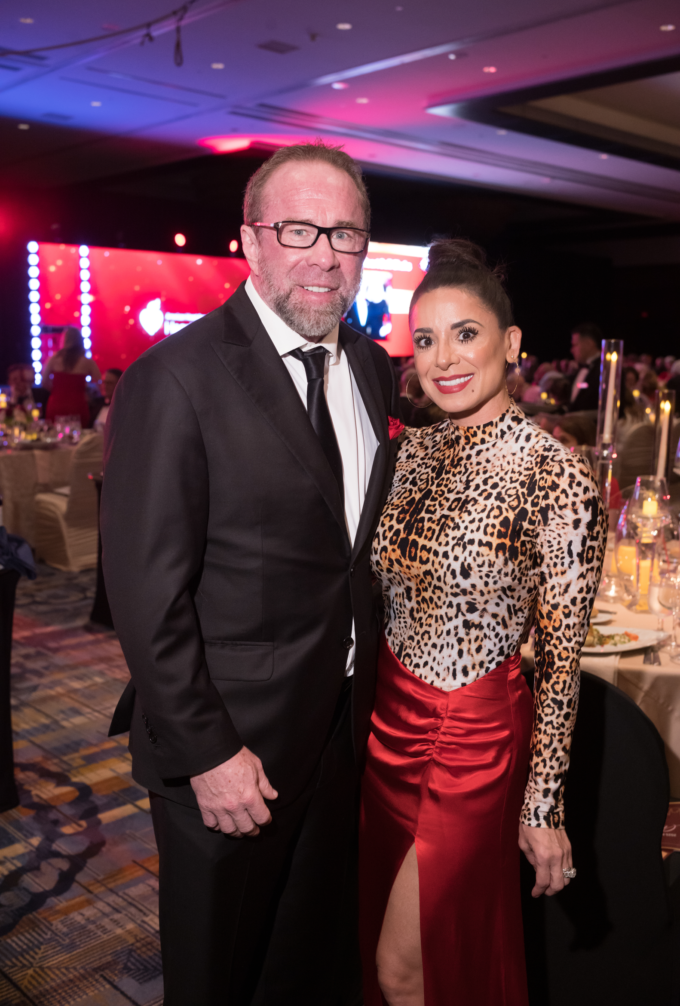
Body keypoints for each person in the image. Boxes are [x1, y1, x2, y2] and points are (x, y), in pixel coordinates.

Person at [101, 141, 400, 1006]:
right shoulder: (175, 379)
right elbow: (145, 594)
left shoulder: (374, 369)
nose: (323, 254)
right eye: (297, 228)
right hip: (230, 752)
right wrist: (209, 752)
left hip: (341, 732)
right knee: (218, 974)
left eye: (344, 234)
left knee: (305, 965)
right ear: (250, 239)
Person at [360, 239, 607, 1006]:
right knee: (385, 956)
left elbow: (562, 664)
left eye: (465, 334)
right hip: (384, 726)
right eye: (426, 339)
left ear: (511, 344)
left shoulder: (556, 474)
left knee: (409, 969)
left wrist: (543, 807)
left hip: (471, 740)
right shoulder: (407, 454)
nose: (443, 359)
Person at [43, 326, 101, 427]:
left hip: (56, 404)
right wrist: (89, 393)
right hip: (78, 405)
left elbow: (44, 382)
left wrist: (57, 391)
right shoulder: (87, 362)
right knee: (79, 438)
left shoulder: (53, 359)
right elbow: (100, 383)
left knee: (55, 436)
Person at [569, 322, 603, 411]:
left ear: (589, 344)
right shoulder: (582, 368)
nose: (572, 350)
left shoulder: (605, 369)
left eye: (574, 345)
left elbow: (602, 410)